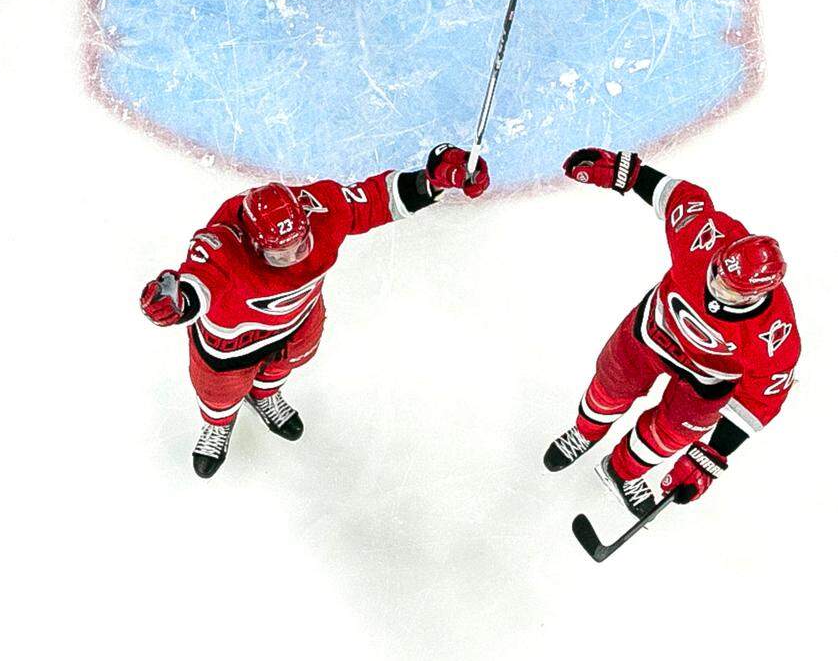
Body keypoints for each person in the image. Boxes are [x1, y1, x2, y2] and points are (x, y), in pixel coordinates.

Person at [141, 145, 489, 477]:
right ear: (253, 244)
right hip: (231, 347)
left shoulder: (322, 210)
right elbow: (194, 284)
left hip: (298, 320)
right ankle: (217, 424)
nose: (296, 258)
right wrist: (174, 304)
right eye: (280, 256)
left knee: (292, 357)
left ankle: (265, 395)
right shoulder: (222, 247)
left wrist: (434, 181)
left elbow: (377, 200)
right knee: (220, 392)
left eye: (301, 245)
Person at [544, 147, 799, 520]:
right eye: (716, 273)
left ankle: (624, 471)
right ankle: (585, 431)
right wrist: (625, 173)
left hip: (707, 380)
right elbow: (679, 197)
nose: (713, 286)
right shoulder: (706, 240)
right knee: (608, 388)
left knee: (671, 433)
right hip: (652, 333)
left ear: (755, 295)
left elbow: (760, 401)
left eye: (728, 290)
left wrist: (714, 454)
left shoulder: (776, 336)